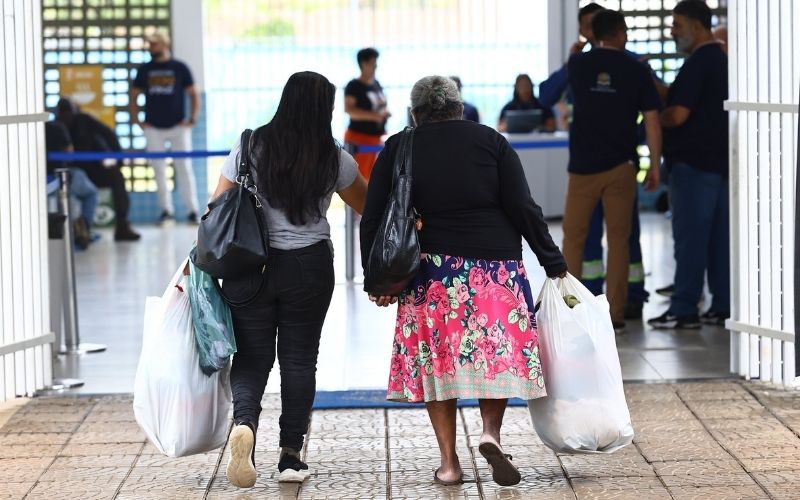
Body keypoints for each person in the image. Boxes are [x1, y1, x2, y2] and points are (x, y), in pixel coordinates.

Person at [360, 76, 567, 487]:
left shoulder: (401, 147)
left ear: (415, 114)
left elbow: (374, 217)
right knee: (495, 355)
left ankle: (449, 464)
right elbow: (523, 207)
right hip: (497, 268)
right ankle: (490, 433)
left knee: (439, 365)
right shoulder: (491, 142)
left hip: (431, 271)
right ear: (459, 108)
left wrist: (377, 280)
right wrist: (552, 260)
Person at [216, 72, 368, 488]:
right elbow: (366, 206)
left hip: (251, 267)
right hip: (309, 267)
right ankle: (289, 455)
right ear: (322, 109)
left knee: (251, 357)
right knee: (299, 361)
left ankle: (244, 424)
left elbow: (217, 204)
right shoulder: (333, 157)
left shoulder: (250, 145)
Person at [540, 2, 654, 318]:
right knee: (591, 239)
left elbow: (652, 104)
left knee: (616, 238)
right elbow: (546, 96)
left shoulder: (622, 64)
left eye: (594, 26)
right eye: (585, 26)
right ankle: (585, 303)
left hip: (602, 165)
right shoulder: (579, 65)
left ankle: (623, 301)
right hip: (605, 166)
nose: (589, 32)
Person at [648, 1, 729, 329]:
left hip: (693, 167)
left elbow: (679, 113)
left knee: (690, 239)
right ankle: (722, 306)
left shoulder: (698, 62)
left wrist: (656, 120)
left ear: (696, 25)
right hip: (720, 164)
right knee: (718, 242)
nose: (672, 31)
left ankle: (684, 309)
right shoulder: (720, 60)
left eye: (677, 24)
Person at [130, 31, 201, 224]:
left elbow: (194, 94)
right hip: (154, 127)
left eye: (154, 44)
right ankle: (166, 211)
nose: (151, 48)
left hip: (178, 127)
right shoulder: (144, 69)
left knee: (184, 168)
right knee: (158, 170)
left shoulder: (179, 68)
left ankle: (192, 210)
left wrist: (191, 119)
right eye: (149, 44)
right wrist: (137, 120)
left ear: (164, 44)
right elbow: (134, 95)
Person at [54, 98, 140, 242]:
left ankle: (122, 225)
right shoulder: (56, 127)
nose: (66, 118)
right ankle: (76, 230)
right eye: (64, 115)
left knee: (116, 176)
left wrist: (119, 159)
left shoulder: (83, 120)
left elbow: (108, 133)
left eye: (68, 114)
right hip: (70, 173)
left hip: (93, 170)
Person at [45, 120, 99, 250]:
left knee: (69, 198)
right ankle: (84, 225)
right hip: (61, 179)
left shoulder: (22, 128)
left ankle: (76, 225)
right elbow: (70, 155)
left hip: (33, 182)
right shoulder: (57, 127)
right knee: (90, 192)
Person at [344, 47, 390, 181]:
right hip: (359, 139)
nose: (375, 66)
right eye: (373, 63)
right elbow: (350, 110)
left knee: (374, 180)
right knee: (360, 181)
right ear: (363, 64)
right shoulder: (354, 86)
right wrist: (375, 116)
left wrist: (384, 114)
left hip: (375, 140)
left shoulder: (376, 84)